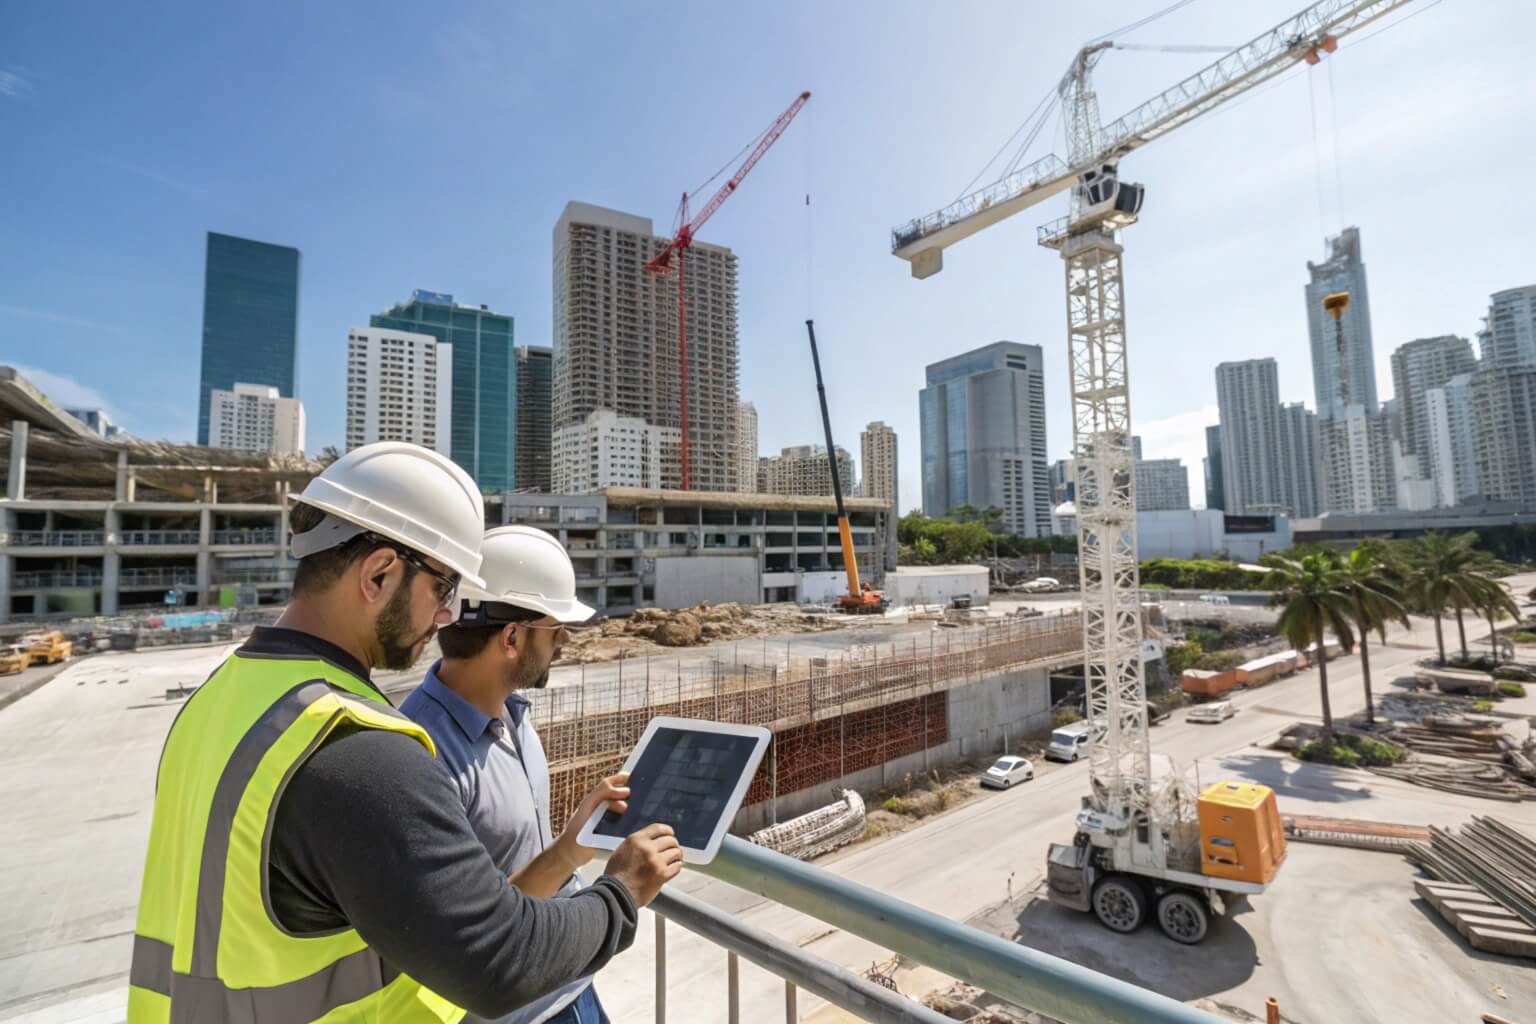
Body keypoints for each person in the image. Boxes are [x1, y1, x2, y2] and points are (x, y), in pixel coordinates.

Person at [128, 443, 684, 1024]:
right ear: (379, 573)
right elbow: (497, 960)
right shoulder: (355, 748)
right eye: (443, 589)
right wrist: (622, 890)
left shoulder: (222, 699)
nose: (447, 616)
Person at [401, 526, 617, 1024]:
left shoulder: (513, 717)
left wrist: (574, 840)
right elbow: (471, 930)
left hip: (571, 986)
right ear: (512, 637)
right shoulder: (422, 756)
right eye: (555, 627)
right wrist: (577, 857)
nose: (563, 641)